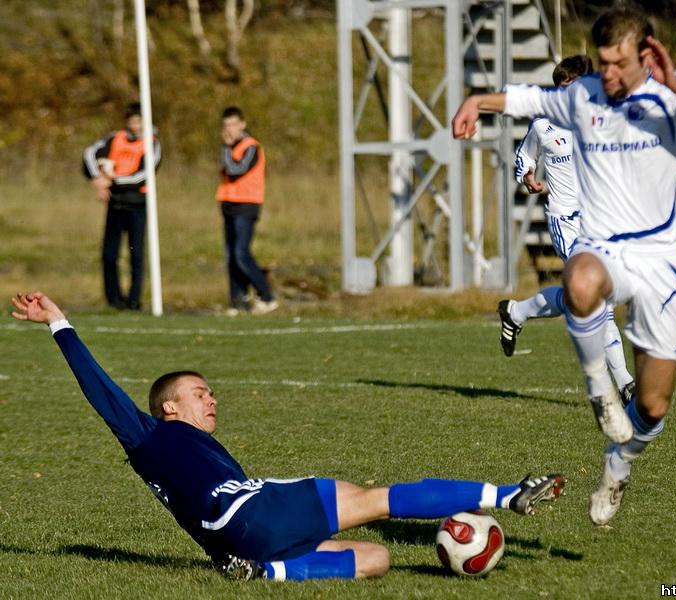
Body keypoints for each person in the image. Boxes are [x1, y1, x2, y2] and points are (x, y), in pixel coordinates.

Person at [10, 291, 565, 581]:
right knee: (377, 499)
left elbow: (200, 518)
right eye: (199, 392)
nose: (212, 398)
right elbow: (102, 392)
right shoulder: (151, 436)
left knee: (376, 560)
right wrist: (60, 323)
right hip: (254, 513)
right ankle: (506, 496)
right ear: (169, 407)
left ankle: (266, 571)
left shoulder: (182, 458)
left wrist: (233, 552)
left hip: (235, 540)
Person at [453, 6, 676, 525]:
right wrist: (478, 100)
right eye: (601, 63)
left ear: (647, 52)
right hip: (604, 243)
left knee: (653, 408)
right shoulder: (585, 94)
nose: (606, 74)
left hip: (662, 260)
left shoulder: (675, 96)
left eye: (617, 63)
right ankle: (599, 388)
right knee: (581, 282)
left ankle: (618, 463)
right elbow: (527, 99)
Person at [498, 55, 635, 407]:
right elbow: (523, 157)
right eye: (559, 89)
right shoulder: (544, 125)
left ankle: (516, 312)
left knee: (583, 300)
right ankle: (625, 384)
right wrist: (527, 176)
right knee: (598, 300)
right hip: (566, 221)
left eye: (570, 88)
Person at [83, 102, 161, 311]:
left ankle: (134, 300)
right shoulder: (114, 138)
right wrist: (98, 179)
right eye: (132, 121)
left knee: (136, 254)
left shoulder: (152, 144)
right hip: (116, 204)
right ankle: (114, 300)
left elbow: (144, 176)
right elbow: (89, 154)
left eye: (139, 121)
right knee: (109, 254)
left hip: (137, 204)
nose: (135, 125)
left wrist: (113, 180)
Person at [216, 106, 277, 316]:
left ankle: (266, 295)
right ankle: (238, 300)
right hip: (229, 204)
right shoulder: (229, 148)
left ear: (242, 124)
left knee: (241, 253)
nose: (229, 129)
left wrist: (225, 149)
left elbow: (236, 170)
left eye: (233, 124)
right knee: (231, 255)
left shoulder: (251, 147)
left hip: (247, 205)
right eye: (226, 125)